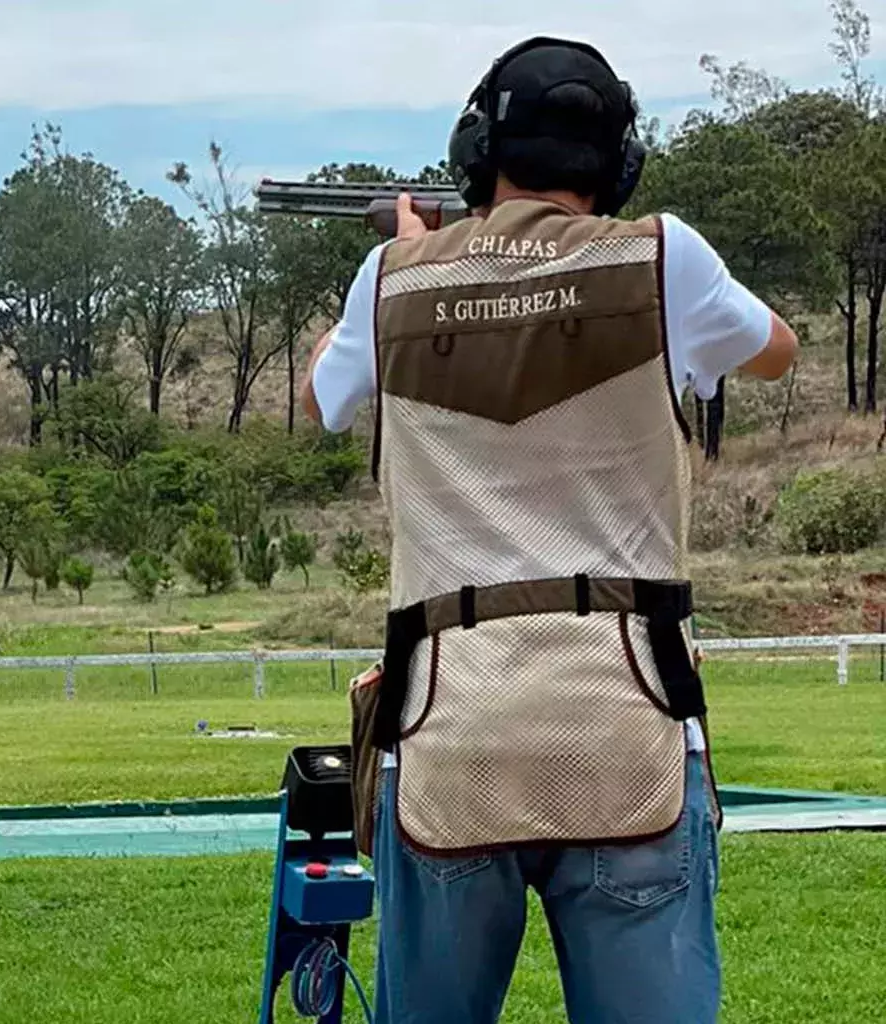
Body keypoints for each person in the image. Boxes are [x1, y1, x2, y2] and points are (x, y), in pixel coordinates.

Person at [301, 37, 798, 1024]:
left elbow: (325, 393)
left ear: (478, 147)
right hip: (626, 725)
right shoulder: (664, 259)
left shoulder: (390, 278)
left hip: (450, 734)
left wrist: (407, 248)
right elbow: (776, 350)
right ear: (617, 162)